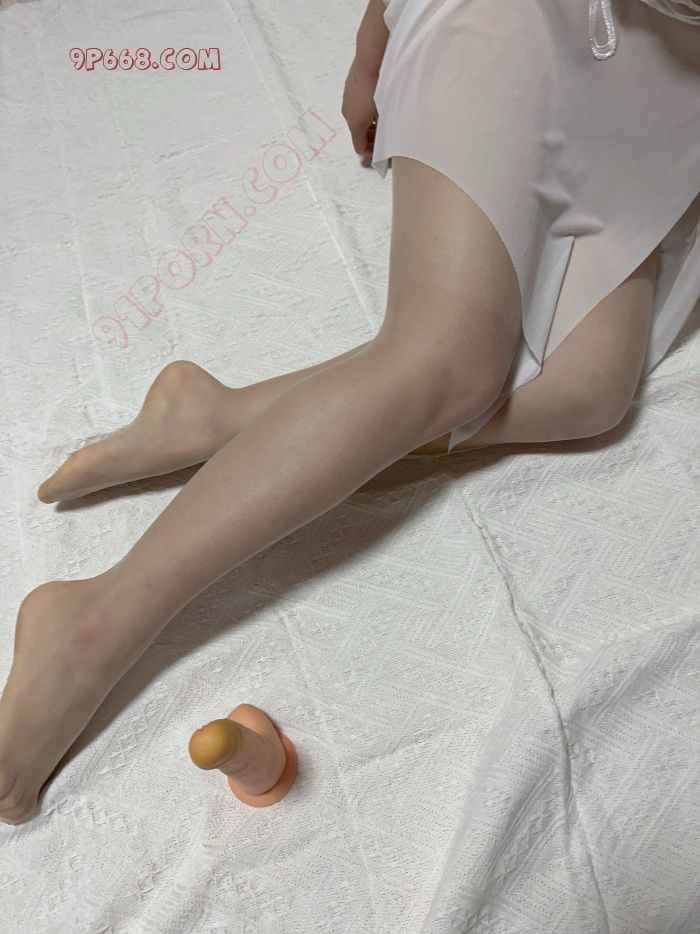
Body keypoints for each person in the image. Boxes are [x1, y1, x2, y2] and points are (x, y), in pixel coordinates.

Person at [1, 0, 698, 824]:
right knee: (449, 361)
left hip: (661, 86)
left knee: (588, 391)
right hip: (525, 18)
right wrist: (378, 36)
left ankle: (217, 418)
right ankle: (93, 619)